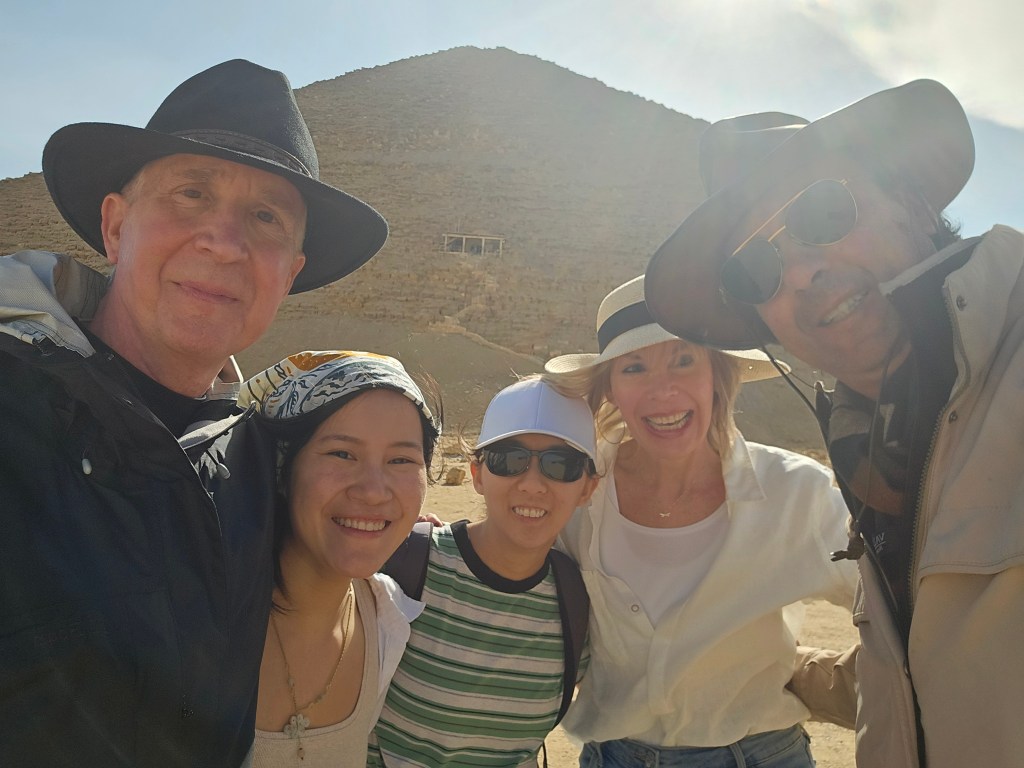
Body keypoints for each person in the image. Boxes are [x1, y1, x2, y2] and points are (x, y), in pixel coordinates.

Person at [0, 60, 388, 766]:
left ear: (289, 274)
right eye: (190, 193)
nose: (224, 242)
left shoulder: (257, 465)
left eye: (265, 217)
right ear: (115, 226)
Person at [644, 80, 1023, 768]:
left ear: (909, 201)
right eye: (757, 271)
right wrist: (781, 670)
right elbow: (922, 666)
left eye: (821, 212)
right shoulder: (880, 448)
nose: (802, 273)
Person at [543, 274, 858, 768]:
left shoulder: (796, 492)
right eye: (635, 367)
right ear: (610, 389)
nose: (663, 390)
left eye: (685, 360)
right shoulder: (576, 489)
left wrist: (837, 680)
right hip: (613, 757)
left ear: (718, 373)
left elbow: (906, 609)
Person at [367, 377, 600, 767]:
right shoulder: (407, 564)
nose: (532, 485)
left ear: (587, 488)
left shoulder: (576, 598)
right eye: (509, 460)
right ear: (477, 474)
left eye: (561, 465)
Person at [236, 351, 440, 767]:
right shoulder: (200, 622)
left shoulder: (388, 623)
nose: (373, 490)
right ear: (281, 468)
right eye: (342, 454)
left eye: (401, 460)